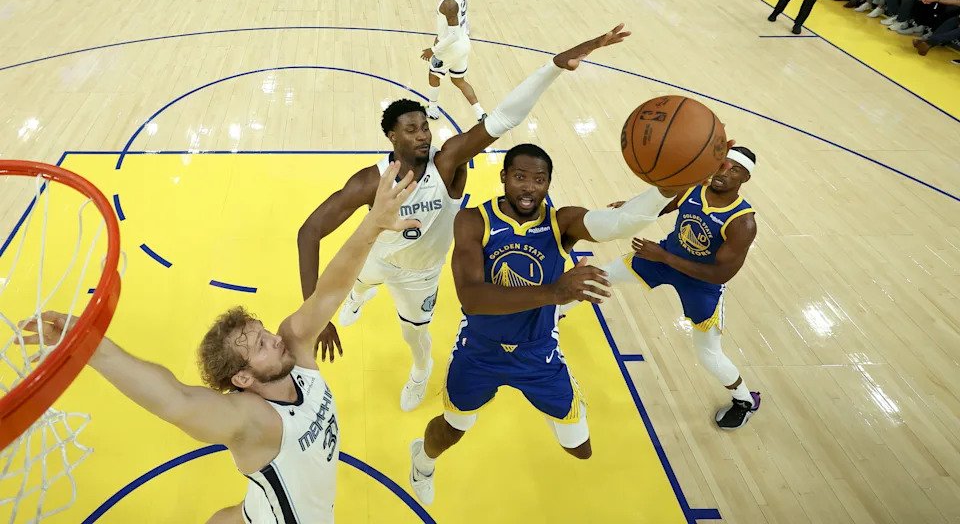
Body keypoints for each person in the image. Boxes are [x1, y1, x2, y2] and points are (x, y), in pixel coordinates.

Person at [20, 162, 421, 524]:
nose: (273, 339)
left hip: (256, 510)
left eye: (263, 331)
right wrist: (90, 346)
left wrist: (372, 226)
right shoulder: (255, 423)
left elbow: (331, 291)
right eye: (260, 346)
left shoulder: (294, 346)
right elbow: (176, 399)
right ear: (243, 379)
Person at [297, 25, 631, 412]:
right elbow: (310, 232)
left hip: (419, 275)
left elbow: (504, 118)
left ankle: (420, 372)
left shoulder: (446, 163)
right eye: (412, 130)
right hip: (376, 256)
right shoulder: (368, 182)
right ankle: (359, 293)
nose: (423, 136)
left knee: (414, 338)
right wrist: (313, 313)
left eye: (425, 127)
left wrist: (555, 66)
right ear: (392, 137)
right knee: (361, 278)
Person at [408, 143, 720, 505]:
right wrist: (555, 292)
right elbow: (473, 300)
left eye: (539, 180)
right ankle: (422, 461)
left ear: (549, 184)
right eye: (520, 177)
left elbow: (619, 223)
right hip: (479, 353)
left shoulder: (563, 222)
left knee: (580, 449)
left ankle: (548, 400)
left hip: (538, 353)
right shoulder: (473, 220)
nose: (529, 187)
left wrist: (669, 188)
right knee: (452, 430)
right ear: (504, 177)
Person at [592, 147, 760, 429]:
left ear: (745, 177)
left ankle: (745, 400)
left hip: (701, 283)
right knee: (602, 275)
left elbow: (720, 275)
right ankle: (551, 314)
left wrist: (664, 257)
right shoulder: (693, 189)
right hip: (663, 258)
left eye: (734, 170)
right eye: (722, 165)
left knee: (708, 355)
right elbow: (659, 206)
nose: (724, 172)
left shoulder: (742, 222)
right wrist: (630, 208)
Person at [420, 0, 483, 122]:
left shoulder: (449, 3)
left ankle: (432, 109)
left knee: (433, 76)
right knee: (458, 80)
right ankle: (480, 113)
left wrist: (433, 49)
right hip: (464, 44)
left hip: (451, 47)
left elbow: (453, 35)